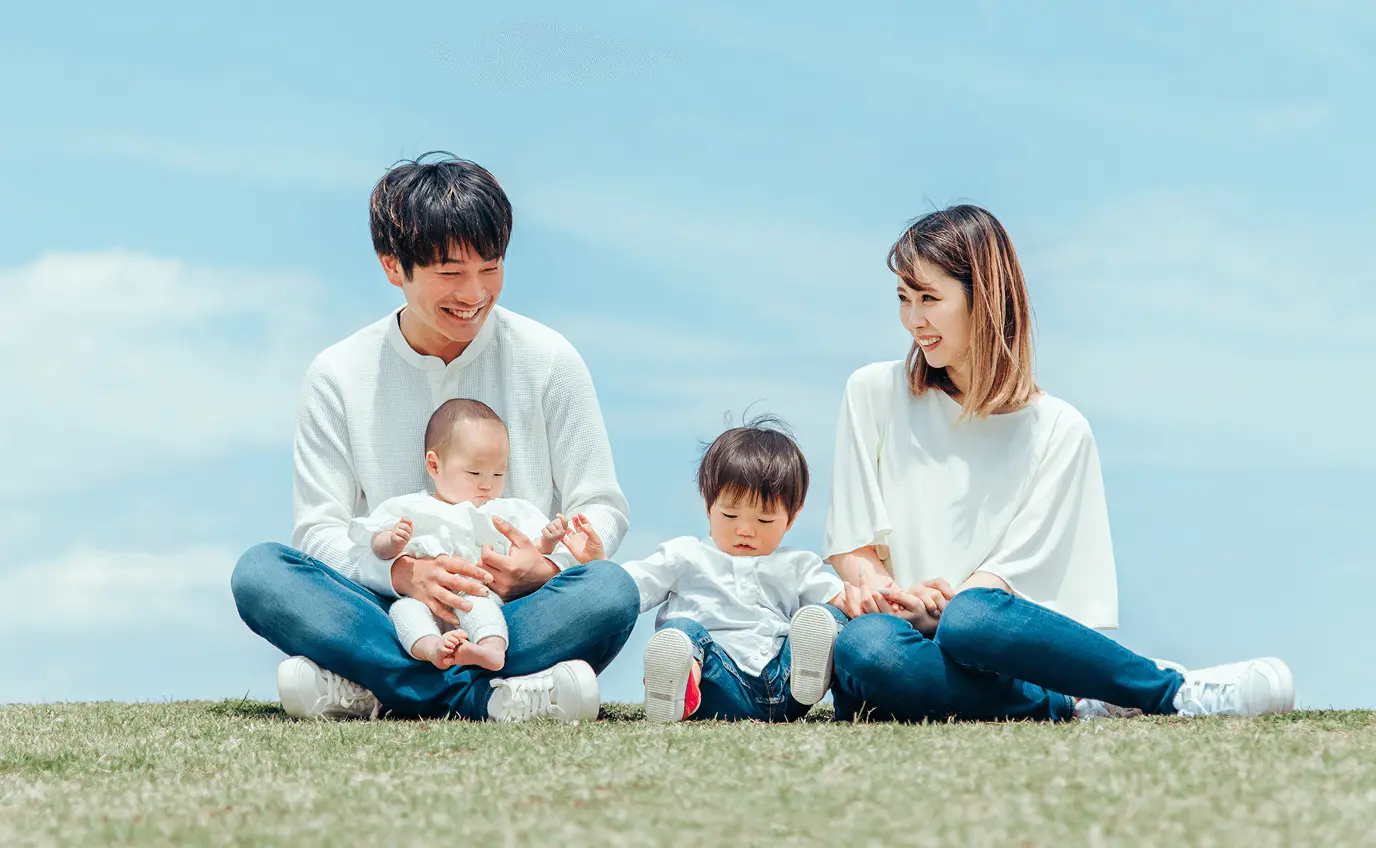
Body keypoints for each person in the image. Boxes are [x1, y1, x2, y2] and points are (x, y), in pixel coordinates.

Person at [823, 204, 1294, 722]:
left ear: (985, 299)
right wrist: (894, 597)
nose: (914, 319)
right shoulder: (871, 393)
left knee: (969, 618)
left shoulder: (1060, 431)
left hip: (992, 651)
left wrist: (942, 613)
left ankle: (1172, 693)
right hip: (896, 649)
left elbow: (1004, 588)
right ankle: (1086, 700)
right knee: (863, 646)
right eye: (904, 299)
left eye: (929, 298)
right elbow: (853, 546)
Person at [230, 153, 639, 722]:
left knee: (610, 592)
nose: (474, 293)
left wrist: (543, 568)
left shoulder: (549, 359)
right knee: (261, 573)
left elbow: (600, 505)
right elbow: (319, 530)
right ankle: (491, 697)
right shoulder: (339, 372)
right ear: (392, 265)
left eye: (490, 267)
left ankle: (377, 687)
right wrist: (402, 574)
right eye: (450, 273)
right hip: (391, 609)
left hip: (512, 609)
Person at [622, 417, 850, 723]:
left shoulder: (798, 564)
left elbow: (843, 599)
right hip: (718, 687)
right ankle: (676, 687)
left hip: (787, 685)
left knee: (827, 618)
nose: (745, 530)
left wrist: (864, 600)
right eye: (730, 515)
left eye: (764, 521)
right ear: (708, 507)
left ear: (791, 519)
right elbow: (629, 587)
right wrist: (596, 569)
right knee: (682, 633)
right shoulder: (685, 555)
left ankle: (811, 674)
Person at [355, 398, 607, 672]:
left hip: (476, 595)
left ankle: (489, 650)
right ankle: (434, 650)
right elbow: (375, 546)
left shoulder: (505, 512)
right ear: (434, 465)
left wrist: (547, 541)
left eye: (498, 474)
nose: (487, 484)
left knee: (480, 606)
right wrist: (392, 541)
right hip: (422, 600)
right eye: (474, 472)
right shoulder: (411, 508)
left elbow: (527, 554)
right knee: (403, 613)